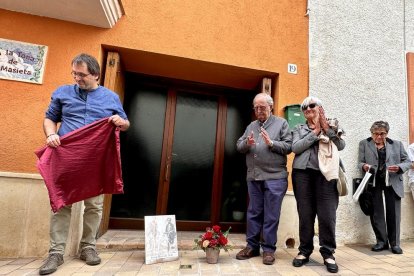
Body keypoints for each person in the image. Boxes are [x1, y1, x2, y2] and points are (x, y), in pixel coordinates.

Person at [39, 53, 130, 275]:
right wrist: (51, 134)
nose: (77, 78)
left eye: (82, 75)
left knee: (94, 206)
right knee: (61, 204)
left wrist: (121, 122)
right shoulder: (62, 93)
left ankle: (88, 247)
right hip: (67, 157)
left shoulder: (111, 98)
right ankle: (56, 253)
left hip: (95, 161)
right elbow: (50, 117)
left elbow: (125, 123)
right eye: (74, 73)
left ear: (96, 75)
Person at [235, 92, 292, 265]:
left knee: (271, 215)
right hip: (254, 176)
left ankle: (268, 250)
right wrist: (247, 143)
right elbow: (239, 145)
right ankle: (251, 246)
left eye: (262, 107)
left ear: (271, 107)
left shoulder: (281, 123)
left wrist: (272, 143)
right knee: (254, 212)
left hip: (275, 177)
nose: (259, 110)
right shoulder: (251, 125)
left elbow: (289, 146)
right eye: (256, 107)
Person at [291, 96, 345, 273]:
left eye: (312, 105)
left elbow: (341, 144)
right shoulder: (299, 128)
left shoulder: (333, 124)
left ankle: (328, 253)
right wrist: (315, 133)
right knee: (305, 213)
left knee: (327, 215)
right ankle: (304, 251)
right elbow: (296, 148)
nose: (308, 108)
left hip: (327, 175)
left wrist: (326, 128)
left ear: (320, 108)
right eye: (304, 107)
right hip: (303, 174)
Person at [358, 121, 410, 255]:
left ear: (387, 133)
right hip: (374, 181)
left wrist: (399, 168)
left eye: (382, 134)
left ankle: (395, 244)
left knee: (394, 213)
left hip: (392, 180)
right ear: (371, 133)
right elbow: (360, 162)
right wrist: (364, 166)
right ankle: (381, 241)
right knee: (376, 212)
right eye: (376, 134)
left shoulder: (397, 144)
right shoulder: (364, 143)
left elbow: (407, 162)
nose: (379, 137)